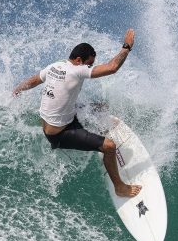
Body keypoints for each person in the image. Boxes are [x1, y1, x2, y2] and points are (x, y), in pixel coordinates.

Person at [12, 29, 142, 198]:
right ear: (79, 60)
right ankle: (120, 187)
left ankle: (95, 131)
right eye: (89, 64)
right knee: (110, 147)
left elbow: (34, 80)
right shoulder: (77, 70)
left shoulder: (54, 66)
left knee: (99, 107)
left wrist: (17, 90)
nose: (89, 68)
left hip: (56, 120)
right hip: (60, 134)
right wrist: (127, 46)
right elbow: (112, 68)